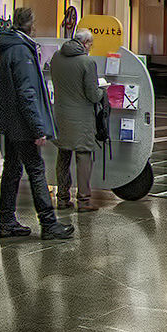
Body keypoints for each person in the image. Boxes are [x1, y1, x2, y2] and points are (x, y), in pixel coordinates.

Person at [0, 7, 67, 240]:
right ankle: (48, 223)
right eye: (34, 24)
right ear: (30, 25)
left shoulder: (7, 47)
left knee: (12, 169)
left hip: (10, 120)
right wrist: (37, 128)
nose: (35, 28)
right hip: (22, 123)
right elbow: (27, 92)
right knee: (36, 169)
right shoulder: (21, 51)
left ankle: (7, 221)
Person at [50, 27, 106, 211]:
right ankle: (84, 201)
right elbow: (92, 94)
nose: (91, 48)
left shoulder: (56, 57)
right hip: (81, 118)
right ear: (85, 43)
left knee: (63, 155)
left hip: (60, 115)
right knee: (83, 156)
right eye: (91, 44)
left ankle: (62, 198)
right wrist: (103, 91)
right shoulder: (87, 62)